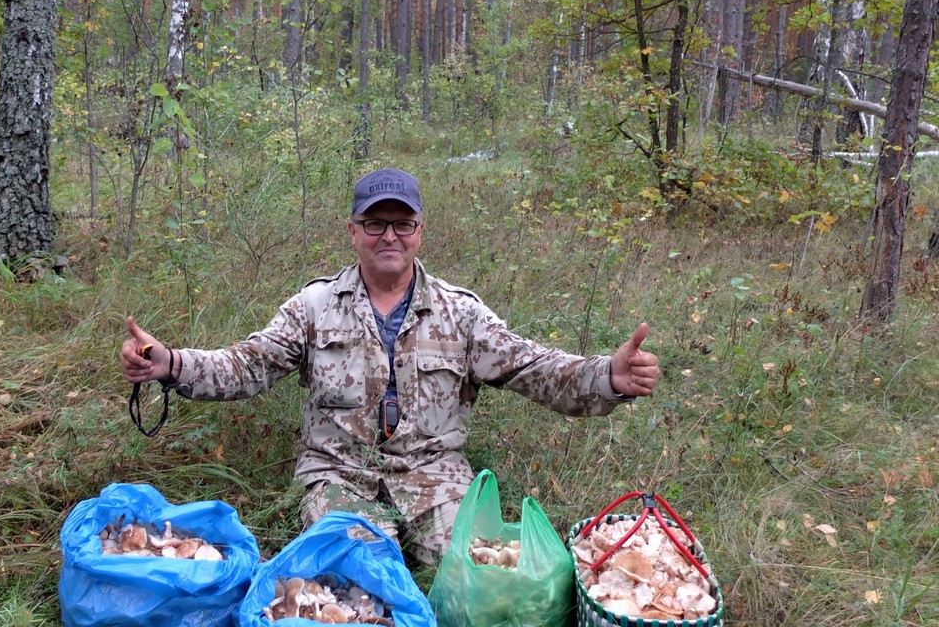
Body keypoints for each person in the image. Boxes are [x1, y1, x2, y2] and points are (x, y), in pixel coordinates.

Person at [120, 168, 661, 566]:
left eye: (402, 225)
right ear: (352, 231)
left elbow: (536, 368)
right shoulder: (313, 308)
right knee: (359, 570)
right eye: (375, 224)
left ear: (420, 231)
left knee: (475, 569)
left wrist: (608, 377)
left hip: (436, 478)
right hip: (338, 475)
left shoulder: (460, 313)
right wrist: (169, 363)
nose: (389, 237)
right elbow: (245, 365)